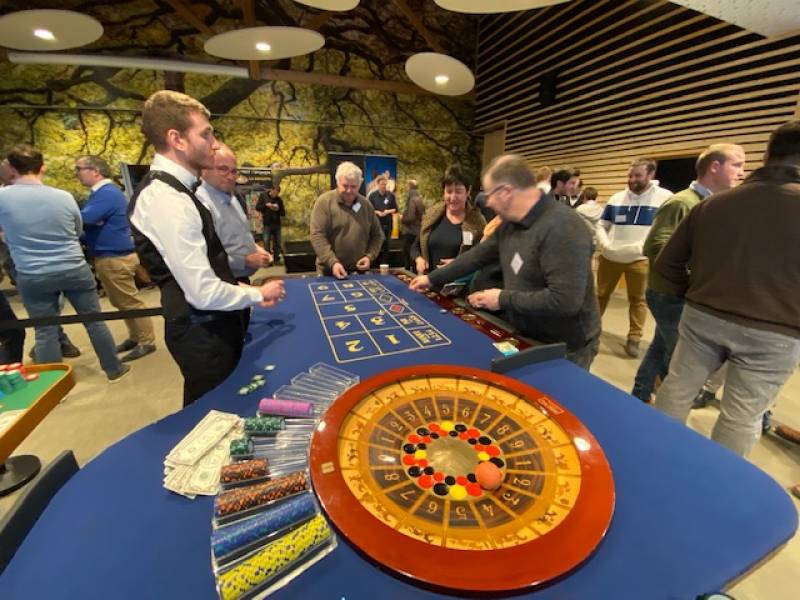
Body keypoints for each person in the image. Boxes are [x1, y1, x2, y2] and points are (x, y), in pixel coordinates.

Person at [653, 121, 800, 456]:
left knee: (677, 390)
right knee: (742, 416)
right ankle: (718, 485)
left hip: (703, 315)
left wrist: (697, 293)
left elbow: (666, 264)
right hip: (777, 331)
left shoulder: (712, 204)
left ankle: (656, 457)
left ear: (767, 154)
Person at [130, 90, 285, 406]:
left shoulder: (179, 192)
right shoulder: (167, 199)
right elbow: (202, 292)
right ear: (177, 139)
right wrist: (259, 293)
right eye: (205, 134)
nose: (213, 143)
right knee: (217, 417)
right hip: (201, 333)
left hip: (213, 325)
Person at [409, 154, 600, 369]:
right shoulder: (512, 222)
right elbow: (477, 256)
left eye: (490, 194)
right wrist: (432, 279)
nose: (488, 201)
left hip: (565, 348)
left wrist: (501, 299)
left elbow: (565, 301)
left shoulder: (564, 227)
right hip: (526, 334)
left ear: (507, 192)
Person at [0, 145, 128, 381]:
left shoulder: (3, 198)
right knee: (95, 321)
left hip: (32, 273)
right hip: (73, 267)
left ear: (12, 168)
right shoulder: (63, 197)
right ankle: (114, 369)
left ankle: (54, 385)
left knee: (45, 329)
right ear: (42, 167)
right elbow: (77, 228)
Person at [630, 144, 745, 403]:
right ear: (715, 166)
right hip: (670, 294)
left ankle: (639, 397)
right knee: (679, 360)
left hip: (678, 293)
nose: (742, 171)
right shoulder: (683, 202)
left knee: (660, 348)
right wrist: (693, 279)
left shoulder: (707, 203)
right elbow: (656, 247)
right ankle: (664, 411)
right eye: (737, 164)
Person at [75, 155, 157, 363]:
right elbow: (90, 222)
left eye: (79, 169)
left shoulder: (106, 194)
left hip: (115, 256)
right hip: (110, 255)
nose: (77, 174)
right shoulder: (104, 193)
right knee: (121, 301)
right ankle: (136, 336)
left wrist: (89, 224)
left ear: (95, 171)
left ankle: (146, 341)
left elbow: (85, 219)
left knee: (128, 301)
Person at [596, 158, 672, 358]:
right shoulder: (617, 198)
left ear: (650, 175)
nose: (632, 179)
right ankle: (592, 330)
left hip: (639, 259)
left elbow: (663, 230)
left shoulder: (665, 198)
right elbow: (602, 225)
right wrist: (605, 245)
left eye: (637, 175)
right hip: (610, 256)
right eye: (630, 175)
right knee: (600, 295)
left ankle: (634, 338)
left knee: (638, 300)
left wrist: (639, 248)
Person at [196, 144, 273, 283]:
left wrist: (257, 249)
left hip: (240, 280)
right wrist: (245, 261)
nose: (230, 176)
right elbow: (202, 257)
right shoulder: (200, 204)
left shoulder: (230, 197)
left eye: (234, 171)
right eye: (223, 169)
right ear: (204, 169)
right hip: (219, 284)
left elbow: (241, 235)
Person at [309, 161, 384, 279]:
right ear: (337, 182)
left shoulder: (366, 205)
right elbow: (317, 236)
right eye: (345, 185)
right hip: (329, 271)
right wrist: (333, 262)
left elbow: (378, 235)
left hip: (359, 271)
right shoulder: (324, 202)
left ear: (360, 184)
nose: (349, 190)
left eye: (353, 186)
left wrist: (369, 256)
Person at [410, 164, 486, 275]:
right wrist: (418, 259)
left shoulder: (478, 223)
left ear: (468, 191)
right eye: (449, 191)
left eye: (458, 191)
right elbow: (415, 246)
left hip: (460, 288)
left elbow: (483, 258)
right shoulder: (431, 215)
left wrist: (459, 264)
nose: (453, 197)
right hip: (428, 285)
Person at [367, 175, 397, 265]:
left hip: (388, 223)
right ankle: (374, 263)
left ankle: (385, 263)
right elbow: (369, 209)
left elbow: (395, 209)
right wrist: (377, 212)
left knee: (387, 244)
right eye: (381, 184)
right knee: (376, 242)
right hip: (376, 223)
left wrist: (388, 211)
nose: (383, 186)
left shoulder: (390, 195)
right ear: (378, 184)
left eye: (385, 184)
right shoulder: (372, 195)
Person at [256, 185, 285, 264]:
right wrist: (266, 206)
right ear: (271, 190)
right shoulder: (263, 196)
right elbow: (257, 207)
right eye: (275, 192)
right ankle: (268, 260)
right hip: (267, 223)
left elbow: (283, 213)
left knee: (278, 242)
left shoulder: (279, 200)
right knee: (266, 241)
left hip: (277, 224)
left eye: (277, 193)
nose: (275, 194)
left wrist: (277, 209)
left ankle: (276, 259)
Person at [399, 179, 425, 270]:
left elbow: (411, 217)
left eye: (407, 186)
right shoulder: (419, 198)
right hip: (418, 230)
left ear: (409, 187)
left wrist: (402, 218)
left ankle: (408, 274)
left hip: (411, 230)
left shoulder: (412, 199)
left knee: (407, 252)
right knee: (415, 253)